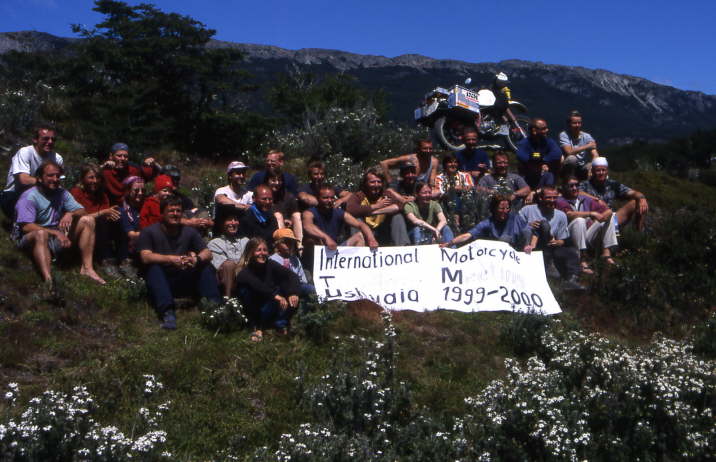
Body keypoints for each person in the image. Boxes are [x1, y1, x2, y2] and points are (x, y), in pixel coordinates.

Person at [12, 160, 106, 288]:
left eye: (57, 176)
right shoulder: (29, 197)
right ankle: (48, 280)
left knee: (88, 220)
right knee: (41, 233)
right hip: (30, 238)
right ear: (39, 178)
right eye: (50, 175)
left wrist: (70, 214)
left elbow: (82, 211)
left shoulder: (61, 193)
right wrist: (55, 232)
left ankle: (87, 268)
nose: (55, 179)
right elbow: (26, 226)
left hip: (54, 236)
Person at [137, 196, 221, 330]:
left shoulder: (189, 232)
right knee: (153, 268)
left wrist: (195, 259)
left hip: (184, 276)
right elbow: (145, 257)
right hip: (162, 280)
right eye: (171, 211)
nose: (175, 214)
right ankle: (167, 312)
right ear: (162, 213)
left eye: (178, 211)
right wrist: (170, 259)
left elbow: (207, 253)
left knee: (205, 265)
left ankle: (214, 308)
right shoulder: (149, 232)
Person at [519, 187, 585, 290]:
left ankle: (571, 279)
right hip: (530, 246)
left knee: (571, 252)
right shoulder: (527, 210)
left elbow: (564, 238)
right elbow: (517, 227)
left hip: (550, 245)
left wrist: (560, 241)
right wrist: (529, 225)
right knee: (543, 226)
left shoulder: (561, 215)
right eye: (548, 197)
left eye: (555, 197)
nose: (552, 200)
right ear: (541, 198)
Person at [235, 237, 301, 341]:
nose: (262, 253)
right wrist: (275, 295)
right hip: (254, 308)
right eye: (258, 250)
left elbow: (291, 275)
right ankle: (257, 327)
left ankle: (284, 324)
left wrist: (293, 292)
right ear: (251, 252)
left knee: (299, 288)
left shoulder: (270, 264)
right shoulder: (244, 271)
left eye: (265, 250)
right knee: (245, 290)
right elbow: (256, 284)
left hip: (270, 304)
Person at [302, 184, 379, 267]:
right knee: (312, 238)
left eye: (332, 198)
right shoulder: (309, 213)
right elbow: (308, 226)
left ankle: (356, 268)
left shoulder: (338, 212)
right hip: (316, 254)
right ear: (318, 199)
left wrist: (371, 239)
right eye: (325, 198)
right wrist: (326, 238)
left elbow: (361, 225)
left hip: (334, 250)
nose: (329, 200)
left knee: (359, 236)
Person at [70, 163, 123, 276]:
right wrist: (102, 213)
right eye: (91, 177)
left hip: (98, 233)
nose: (95, 181)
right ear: (83, 178)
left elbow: (106, 214)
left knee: (117, 217)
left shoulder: (102, 195)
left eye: (97, 177)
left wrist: (110, 214)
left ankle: (122, 258)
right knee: (96, 220)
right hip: (76, 232)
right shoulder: (76, 193)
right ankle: (105, 258)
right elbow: (78, 218)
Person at [556, 176, 617, 273]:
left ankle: (606, 253)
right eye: (571, 186)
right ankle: (582, 259)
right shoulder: (560, 200)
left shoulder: (585, 199)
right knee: (579, 220)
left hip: (586, 234)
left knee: (611, 216)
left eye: (576, 185)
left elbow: (607, 210)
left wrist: (603, 216)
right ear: (564, 187)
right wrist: (590, 214)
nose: (574, 188)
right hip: (569, 238)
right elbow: (569, 215)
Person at [2, 125, 63, 218]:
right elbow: (24, 180)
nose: (50, 142)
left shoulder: (57, 158)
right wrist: (47, 182)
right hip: (14, 194)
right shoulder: (25, 152)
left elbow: (59, 183)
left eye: (53, 139)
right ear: (35, 140)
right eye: (45, 139)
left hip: (42, 194)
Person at [441, 194, 533, 252]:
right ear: (494, 208)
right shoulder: (488, 222)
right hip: (500, 251)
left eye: (507, 208)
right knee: (505, 238)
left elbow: (528, 231)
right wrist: (450, 243)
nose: (504, 211)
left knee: (525, 231)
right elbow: (468, 235)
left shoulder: (516, 218)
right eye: (501, 208)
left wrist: (528, 245)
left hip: (517, 250)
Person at [579, 157, 648, 231]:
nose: (601, 173)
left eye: (603, 170)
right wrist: (597, 200)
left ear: (607, 171)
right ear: (592, 171)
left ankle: (638, 234)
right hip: (593, 219)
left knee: (638, 203)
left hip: (611, 218)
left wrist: (641, 197)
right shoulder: (585, 184)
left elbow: (632, 192)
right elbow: (578, 192)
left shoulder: (613, 184)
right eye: (598, 170)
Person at [345, 169, 409, 246]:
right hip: (365, 233)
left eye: (379, 182)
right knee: (355, 218)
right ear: (365, 183)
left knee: (397, 216)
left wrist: (374, 211)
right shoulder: (359, 196)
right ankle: (358, 248)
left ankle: (403, 247)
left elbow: (400, 206)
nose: (376, 185)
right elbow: (350, 209)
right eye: (372, 182)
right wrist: (376, 206)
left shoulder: (386, 194)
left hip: (383, 232)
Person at [207, 209, 249, 298]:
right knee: (229, 265)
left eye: (235, 220)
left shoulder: (246, 241)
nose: (233, 223)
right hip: (225, 277)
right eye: (229, 220)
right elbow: (220, 266)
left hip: (246, 275)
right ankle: (228, 301)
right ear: (222, 223)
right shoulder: (215, 243)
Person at [161, 165, 213, 232]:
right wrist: (188, 222)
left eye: (177, 179)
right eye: (172, 179)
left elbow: (192, 210)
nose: (175, 182)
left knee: (203, 214)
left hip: (187, 231)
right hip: (167, 231)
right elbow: (162, 218)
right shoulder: (158, 198)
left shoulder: (183, 198)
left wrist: (206, 222)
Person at [269, 228, 314, 296]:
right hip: (281, 290)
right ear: (277, 244)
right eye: (285, 242)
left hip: (297, 287)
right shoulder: (272, 260)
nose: (289, 244)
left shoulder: (295, 259)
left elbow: (302, 279)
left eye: (291, 242)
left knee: (312, 289)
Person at [264, 171, 303, 245]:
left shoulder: (288, 196)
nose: (277, 183)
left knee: (297, 215)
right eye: (273, 180)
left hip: (287, 226)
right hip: (269, 224)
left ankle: (299, 246)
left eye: (279, 180)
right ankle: (282, 246)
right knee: (278, 216)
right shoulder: (263, 195)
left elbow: (294, 212)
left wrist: (290, 221)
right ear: (267, 181)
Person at [118, 175, 146, 277]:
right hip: (129, 253)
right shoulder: (122, 210)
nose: (140, 193)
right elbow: (132, 235)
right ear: (127, 191)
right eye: (136, 190)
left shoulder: (146, 207)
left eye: (143, 190)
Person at [559, 111, 599, 178]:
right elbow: (569, 152)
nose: (577, 125)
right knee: (572, 159)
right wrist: (587, 146)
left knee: (598, 164)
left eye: (579, 123)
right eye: (574, 123)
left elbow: (595, 155)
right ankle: (568, 182)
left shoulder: (587, 136)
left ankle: (590, 186)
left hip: (583, 166)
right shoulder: (564, 135)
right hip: (568, 166)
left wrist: (592, 167)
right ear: (569, 124)